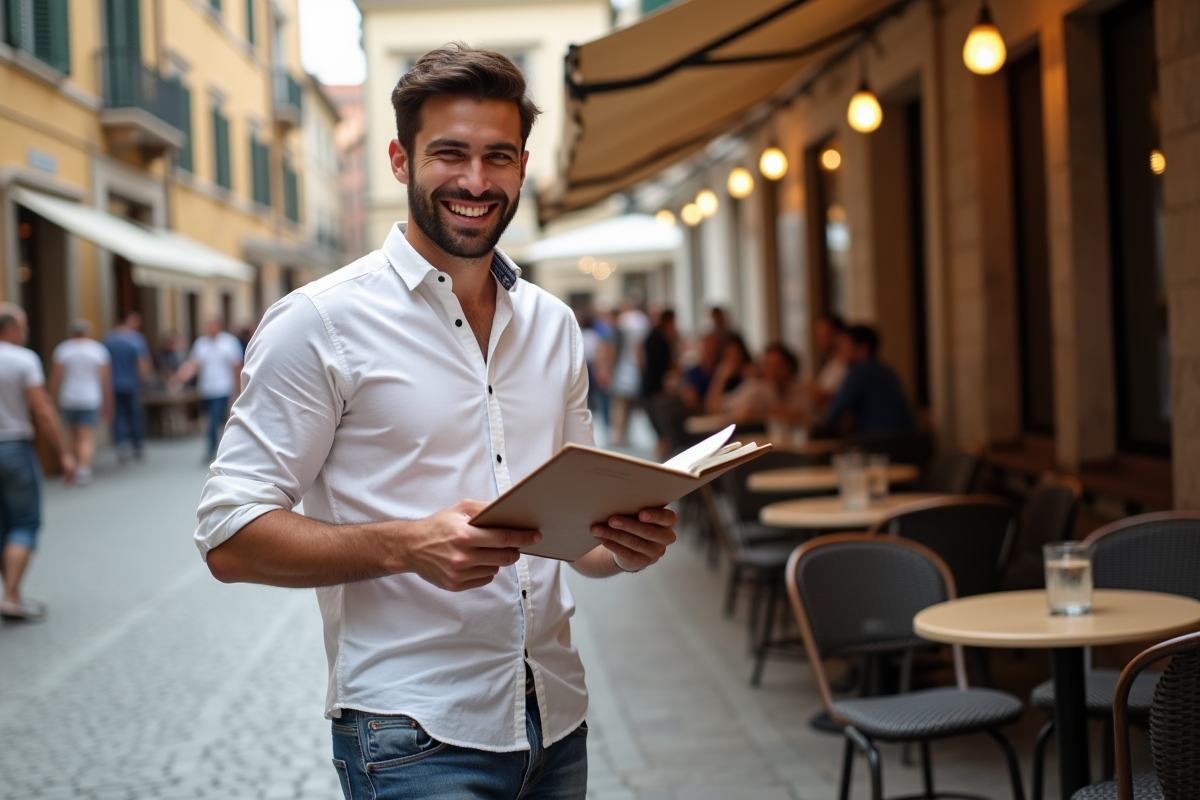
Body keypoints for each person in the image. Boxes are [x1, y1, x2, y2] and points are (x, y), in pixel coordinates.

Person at [193, 45, 678, 800]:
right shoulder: (318, 323)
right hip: (411, 735)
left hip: (556, 719)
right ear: (398, 158)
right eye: (449, 154)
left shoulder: (554, 324)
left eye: (498, 157)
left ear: (522, 166)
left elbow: (581, 541)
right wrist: (406, 545)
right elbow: (228, 536)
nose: (476, 182)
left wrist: (625, 546)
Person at [0, 304, 75, 621]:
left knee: (4, 525)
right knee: (25, 522)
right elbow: (42, 410)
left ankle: (13, 592)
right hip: (13, 446)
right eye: (25, 325)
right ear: (12, 329)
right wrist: (64, 453)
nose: (27, 330)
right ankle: (10, 595)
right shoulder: (23, 359)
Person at [48, 320, 112, 486]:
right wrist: (109, 402)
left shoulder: (63, 349)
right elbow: (105, 379)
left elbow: (56, 377)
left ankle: (75, 465)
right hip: (90, 397)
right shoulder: (97, 350)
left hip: (68, 397)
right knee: (86, 434)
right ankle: (84, 468)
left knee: (73, 433)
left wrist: (51, 397)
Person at [170, 319, 244, 461]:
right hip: (206, 389)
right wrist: (180, 378)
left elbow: (236, 366)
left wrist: (239, 388)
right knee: (212, 419)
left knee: (215, 419)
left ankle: (214, 448)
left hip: (223, 388)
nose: (210, 329)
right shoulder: (201, 343)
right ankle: (221, 447)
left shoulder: (229, 342)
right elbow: (194, 364)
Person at [825, 324, 916, 433]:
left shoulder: (859, 372)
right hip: (908, 440)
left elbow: (834, 413)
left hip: (882, 442)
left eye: (845, 348)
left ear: (863, 349)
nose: (841, 354)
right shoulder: (886, 370)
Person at [721, 342, 811, 425]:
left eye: (777, 365)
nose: (772, 371)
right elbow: (723, 408)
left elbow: (807, 417)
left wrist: (769, 412)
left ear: (788, 367)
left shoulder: (799, 389)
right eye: (768, 365)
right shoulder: (755, 389)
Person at [104, 310, 151, 461]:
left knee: (118, 415)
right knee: (135, 414)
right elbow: (141, 363)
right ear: (127, 321)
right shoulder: (136, 339)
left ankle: (121, 444)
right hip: (131, 383)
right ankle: (137, 445)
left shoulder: (109, 339)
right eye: (135, 321)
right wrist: (145, 379)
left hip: (113, 383)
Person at [607, 293, 650, 446]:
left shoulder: (625, 320)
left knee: (620, 402)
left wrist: (609, 366)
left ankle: (618, 434)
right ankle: (624, 432)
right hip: (634, 367)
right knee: (629, 403)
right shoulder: (642, 320)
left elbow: (615, 346)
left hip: (623, 366)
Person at [703, 333, 752, 414]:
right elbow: (710, 407)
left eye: (736, 354)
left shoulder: (751, 374)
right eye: (728, 355)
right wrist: (721, 378)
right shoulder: (722, 373)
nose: (733, 359)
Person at [809, 313, 848, 410]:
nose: (819, 340)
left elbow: (830, 400)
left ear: (838, 335)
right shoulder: (831, 365)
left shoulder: (846, 365)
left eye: (824, 335)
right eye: (818, 334)